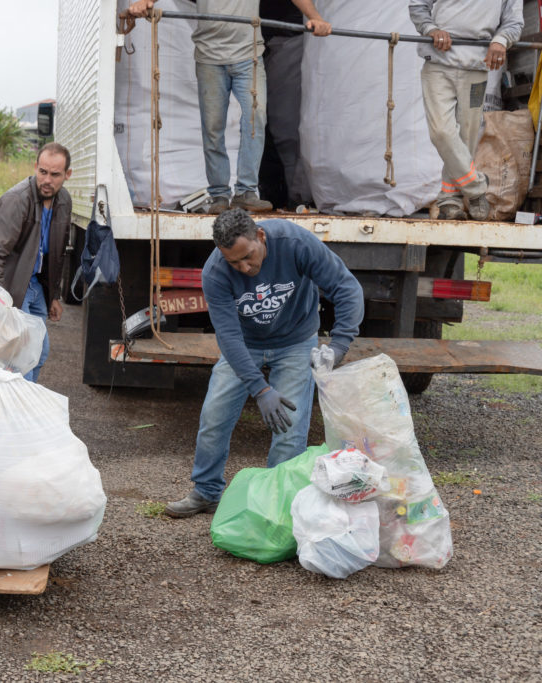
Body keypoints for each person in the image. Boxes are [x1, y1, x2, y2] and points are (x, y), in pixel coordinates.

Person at [165, 208, 363, 517]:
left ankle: (275, 504)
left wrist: (338, 347)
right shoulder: (215, 271)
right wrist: (260, 389)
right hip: (245, 345)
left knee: (289, 430)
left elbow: (346, 287)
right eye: (234, 261)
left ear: (260, 236)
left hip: (296, 341)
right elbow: (228, 337)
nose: (244, 267)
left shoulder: (295, 243)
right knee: (214, 418)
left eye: (248, 256)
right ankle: (207, 491)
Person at [127, 0, 330, 215]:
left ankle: (246, 192)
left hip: (248, 56)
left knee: (255, 118)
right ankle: (220, 194)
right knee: (213, 127)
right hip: (209, 57)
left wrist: (315, 16)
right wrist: (144, 2)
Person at [409, 0, 523, 221]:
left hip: (476, 67)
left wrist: (501, 41)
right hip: (438, 64)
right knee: (441, 132)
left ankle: (449, 200)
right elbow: (418, 5)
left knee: (466, 137)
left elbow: (514, 22)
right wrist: (431, 29)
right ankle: (476, 186)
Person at [0, 142, 72, 383]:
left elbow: (57, 254)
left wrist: (54, 295)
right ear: (35, 167)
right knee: (20, 356)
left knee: (39, 353)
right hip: (11, 286)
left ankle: (20, 401)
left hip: (36, 286)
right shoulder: (17, 200)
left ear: (67, 175)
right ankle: (16, 410)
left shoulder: (64, 201)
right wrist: (0, 300)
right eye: (43, 172)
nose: (47, 180)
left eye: (55, 174)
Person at [258, 0, 329, 209]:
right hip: (251, 40)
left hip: (286, 38)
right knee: (253, 124)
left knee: (286, 129)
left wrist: (314, 16)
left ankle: (297, 197)